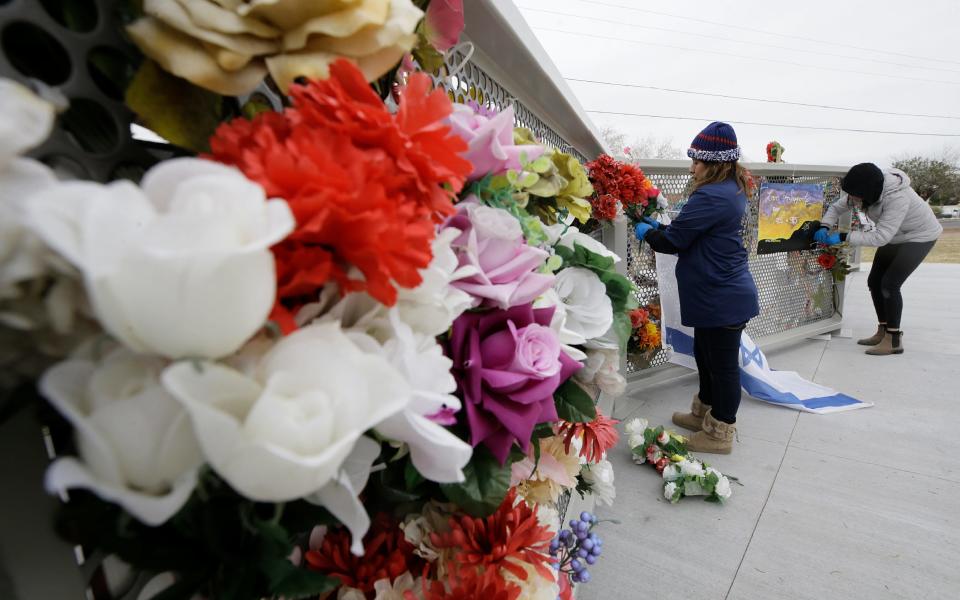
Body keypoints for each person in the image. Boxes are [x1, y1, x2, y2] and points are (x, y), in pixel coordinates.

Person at [634, 122, 759, 454]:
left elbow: (673, 241)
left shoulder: (711, 195)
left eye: (697, 161)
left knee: (722, 366)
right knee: (705, 353)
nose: (691, 167)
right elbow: (689, 230)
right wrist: (657, 226)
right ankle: (703, 410)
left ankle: (720, 433)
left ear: (715, 163)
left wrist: (645, 230)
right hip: (718, 292)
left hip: (723, 296)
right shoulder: (730, 188)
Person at [815, 163, 942, 356]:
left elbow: (880, 238)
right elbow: (836, 208)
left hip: (920, 236)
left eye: (856, 195)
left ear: (869, 191)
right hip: (895, 235)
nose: (852, 199)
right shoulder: (862, 193)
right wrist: (825, 226)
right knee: (875, 282)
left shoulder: (897, 198)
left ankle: (893, 340)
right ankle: (883, 330)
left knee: (889, 284)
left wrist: (842, 236)